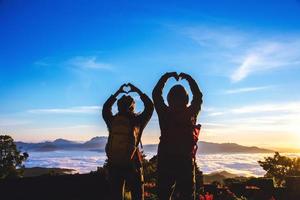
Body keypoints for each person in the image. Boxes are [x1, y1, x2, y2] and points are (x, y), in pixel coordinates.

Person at [152, 72, 203, 200]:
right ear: (186, 99)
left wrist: (166, 76)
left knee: (163, 195)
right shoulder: (191, 113)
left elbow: (156, 94)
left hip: (166, 159)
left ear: (169, 99)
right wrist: (189, 79)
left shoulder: (164, 113)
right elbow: (198, 96)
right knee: (187, 195)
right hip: (185, 159)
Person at [102, 83, 154, 200]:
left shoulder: (112, 120)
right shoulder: (137, 121)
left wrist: (117, 93)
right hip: (132, 164)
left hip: (114, 165)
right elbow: (150, 107)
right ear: (132, 107)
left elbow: (105, 109)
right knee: (137, 195)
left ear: (118, 107)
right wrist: (137, 91)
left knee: (116, 196)